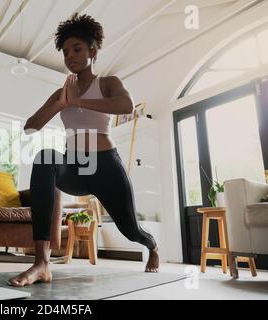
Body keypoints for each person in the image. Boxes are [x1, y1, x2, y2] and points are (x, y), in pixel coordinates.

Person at [8, 13, 159, 288]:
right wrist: (61, 103)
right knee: (45, 158)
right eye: (65, 52)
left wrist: (80, 101)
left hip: (105, 167)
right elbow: (31, 127)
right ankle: (42, 263)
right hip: (74, 166)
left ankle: (152, 246)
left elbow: (126, 106)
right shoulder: (62, 92)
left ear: (93, 50)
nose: (70, 56)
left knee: (130, 229)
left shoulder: (108, 82)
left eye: (76, 49)